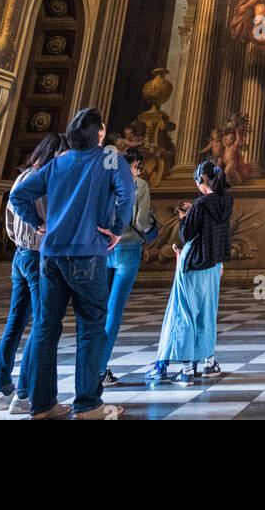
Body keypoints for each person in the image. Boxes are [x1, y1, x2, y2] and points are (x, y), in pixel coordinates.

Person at [9, 107, 135, 420]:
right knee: (91, 328)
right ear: (101, 132)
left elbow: (19, 195)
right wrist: (117, 229)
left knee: (45, 328)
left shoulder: (60, 161)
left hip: (51, 256)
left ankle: (42, 406)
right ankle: (88, 405)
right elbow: (127, 193)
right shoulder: (108, 157)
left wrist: (38, 224)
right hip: (87, 253)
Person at [147, 159, 234, 384]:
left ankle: (186, 370)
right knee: (207, 313)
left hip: (195, 264)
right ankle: (209, 363)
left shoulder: (202, 203)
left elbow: (186, 235)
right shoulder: (226, 201)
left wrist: (185, 216)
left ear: (202, 179)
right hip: (214, 265)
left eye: (197, 180)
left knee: (185, 314)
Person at [0, 133, 59, 414]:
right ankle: (25, 395)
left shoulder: (22, 175)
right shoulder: (40, 180)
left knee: (15, 323)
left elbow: (8, 218)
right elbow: (43, 219)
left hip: (20, 254)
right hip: (36, 255)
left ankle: (2, 390)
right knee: (42, 324)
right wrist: (39, 229)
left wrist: (21, 239)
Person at [100, 148, 154, 387]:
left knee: (98, 308)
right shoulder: (139, 185)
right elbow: (142, 222)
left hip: (103, 247)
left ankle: (90, 366)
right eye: (139, 166)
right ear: (137, 165)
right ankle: (101, 369)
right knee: (114, 310)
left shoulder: (105, 181)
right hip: (128, 246)